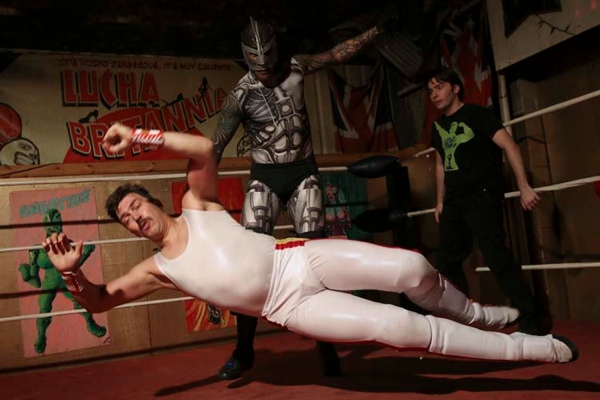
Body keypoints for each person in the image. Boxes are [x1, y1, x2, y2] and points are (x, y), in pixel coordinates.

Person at [43, 123, 578, 378]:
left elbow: (203, 147)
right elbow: (100, 301)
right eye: (125, 218)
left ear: (152, 201)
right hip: (289, 305)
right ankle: (529, 350)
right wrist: (72, 276)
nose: (134, 216)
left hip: (298, 256)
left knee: (413, 266)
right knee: (398, 328)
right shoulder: (157, 268)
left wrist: (138, 136)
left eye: (135, 205)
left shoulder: (195, 204)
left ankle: (479, 315)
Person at [210, 16, 392, 379]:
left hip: (303, 172)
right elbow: (215, 145)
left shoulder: (296, 67)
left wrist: (376, 30)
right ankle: (244, 350)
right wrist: (198, 198)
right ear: (246, 58)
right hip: (265, 176)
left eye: (267, 61)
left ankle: (326, 347)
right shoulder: (240, 95)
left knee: (315, 261)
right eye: (256, 63)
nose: (264, 68)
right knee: (249, 264)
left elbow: (337, 54)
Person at [427, 68, 548, 335]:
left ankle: (530, 318)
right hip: (454, 200)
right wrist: (440, 200)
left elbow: (509, 145)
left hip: (482, 194)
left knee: (496, 255)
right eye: (431, 90)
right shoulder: (437, 126)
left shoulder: (477, 114)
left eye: (439, 87)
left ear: (455, 88)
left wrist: (524, 187)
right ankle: (463, 316)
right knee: (446, 261)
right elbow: (440, 164)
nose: (434, 94)